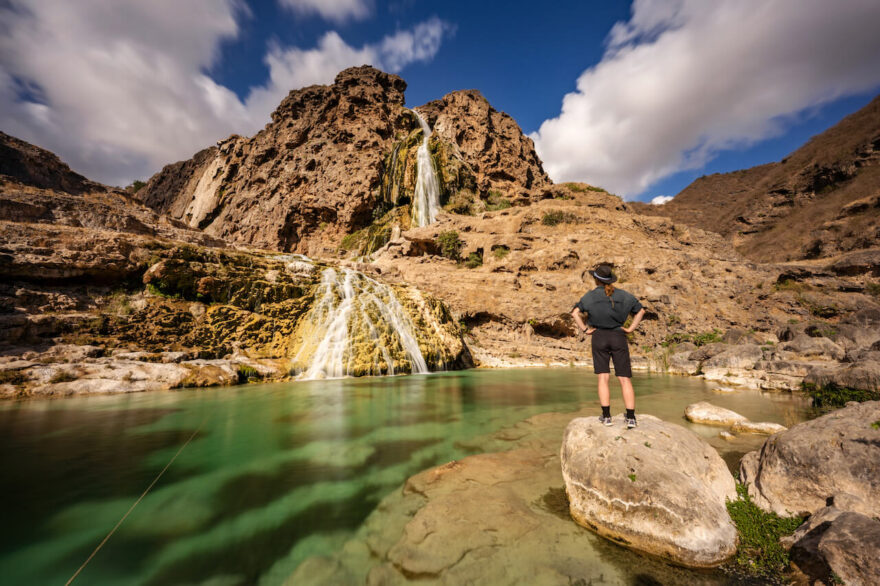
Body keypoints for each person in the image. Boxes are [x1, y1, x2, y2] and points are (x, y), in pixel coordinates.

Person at [571, 264, 646, 429]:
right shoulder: (624, 295)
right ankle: (631, 418)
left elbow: (575, 312)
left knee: (603, 378)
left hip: (599, 337)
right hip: (618, 336)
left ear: (595, 279)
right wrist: (631, 328)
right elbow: (640, 311)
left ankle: (606, 417)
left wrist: (585, 329)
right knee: (624, 379)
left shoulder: (590, 297)